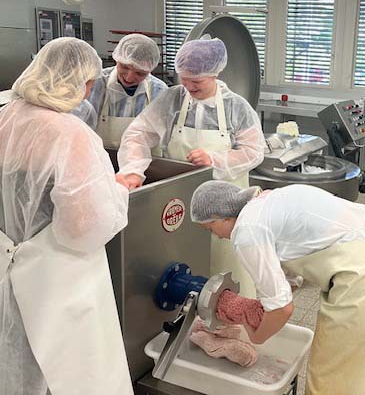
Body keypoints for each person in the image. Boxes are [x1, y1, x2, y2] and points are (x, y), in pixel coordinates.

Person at [189, 181, 365, 395]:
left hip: (363, 282)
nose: (216, 236)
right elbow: (291, 273)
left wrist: (257, 336)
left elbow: (283, 309)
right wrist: (263, 309)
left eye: (210, 228)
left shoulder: (246, 229)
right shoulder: (268, 202)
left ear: (224, 216)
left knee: (333, 378)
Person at [0, 38, 132, 395]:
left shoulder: (4, 114)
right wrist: (117, 193)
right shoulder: (68, 133)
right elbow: (85, 230)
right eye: (89, 85)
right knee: (65, 371)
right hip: (56, 280)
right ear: (79, 82)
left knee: (14, 357)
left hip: (7, 264)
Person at [117, 38, 265, 297]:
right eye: (184, 79)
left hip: (225, 209)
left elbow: (254, 152)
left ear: (215, 74)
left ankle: (232, 314)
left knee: (226, 268)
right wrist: (132, 169)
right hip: (180, 201)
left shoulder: (236, 106)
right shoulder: (173, 98)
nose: (189, 86)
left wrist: (215, 160)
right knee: (182, 262)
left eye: (197, 81)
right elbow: (138, 134)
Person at [88, 33, 167, 149]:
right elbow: (81, 126)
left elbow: (164, 136)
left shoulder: (159, 91)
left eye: (139, 73)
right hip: (100, 157)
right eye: (124, 67)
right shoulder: (96, 83)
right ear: (117, 59)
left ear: (150, 70)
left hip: (143, 158)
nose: (129, 78)